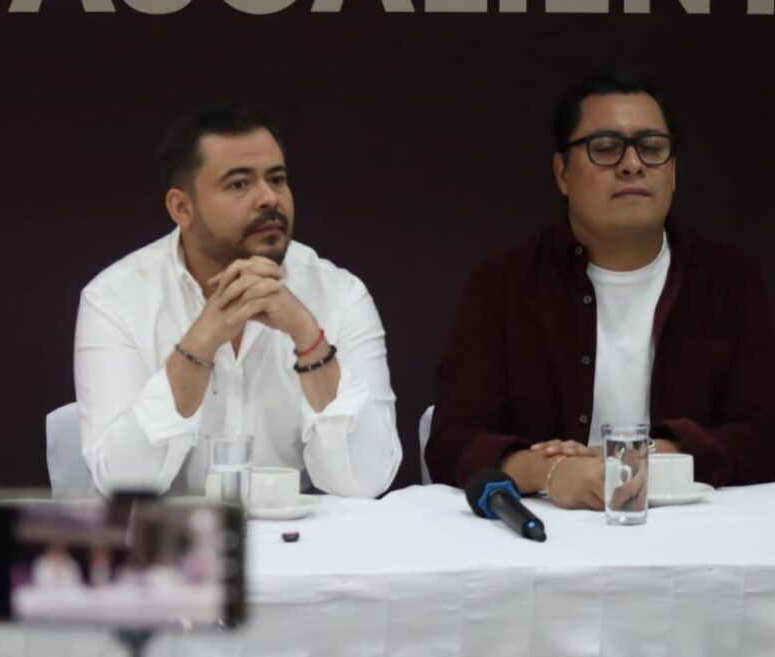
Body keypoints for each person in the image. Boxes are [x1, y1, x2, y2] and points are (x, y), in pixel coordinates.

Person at [425, 71, 775, 508]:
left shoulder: (729, 280)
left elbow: (763, 436)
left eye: (652, 148)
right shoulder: (504, 283)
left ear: (673, 172)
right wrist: (550, 471)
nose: (632, 164)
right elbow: (453, 440)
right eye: (606, 148)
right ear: (562, 173)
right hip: (550, 522)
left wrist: (649, 456)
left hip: (692, 524)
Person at [74, 102, 401, 497]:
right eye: (239, 184)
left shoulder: (340, 295)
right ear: (182, 207)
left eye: (277, 179)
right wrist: (201, 342)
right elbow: (123, 483)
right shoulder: (115, 298)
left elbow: (367, 481)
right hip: (171, 533)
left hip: (302, 532)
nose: (269, 198)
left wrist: (308, 337)